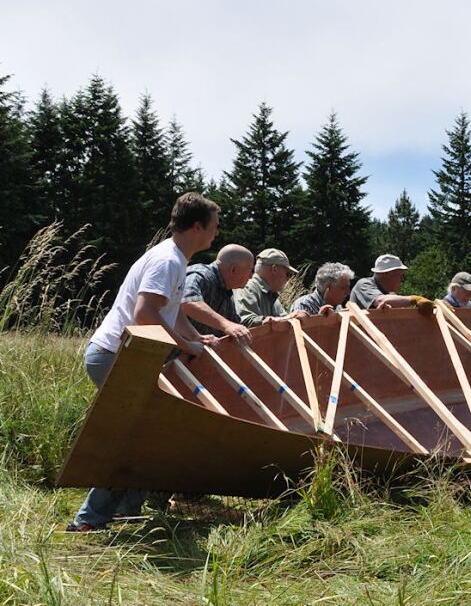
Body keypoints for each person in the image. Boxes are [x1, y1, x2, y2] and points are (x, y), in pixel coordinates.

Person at [67, 192, 221, 532]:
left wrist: (196, 339)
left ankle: (124, 507)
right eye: (213, 227)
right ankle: (90, 519)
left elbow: (171, 311)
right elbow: (144, 313)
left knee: (151, 432)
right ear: (197, 226)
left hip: (126, 355)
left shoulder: (176, 259)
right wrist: (184, 345)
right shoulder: (168, 260)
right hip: (114, 355)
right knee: (136, 437)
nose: (215, 234)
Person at [181, 244, 253, 341]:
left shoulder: (226, 291)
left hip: (192, 353)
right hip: (169, 354)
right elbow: (187, 302)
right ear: (233, 269)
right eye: (249, 271)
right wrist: (226, 325)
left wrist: (264, 322)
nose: (251, 277)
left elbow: (235, 326)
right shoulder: (200, 275)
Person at [235, 248, 303, 327]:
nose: (288, 279)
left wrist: (295, 317)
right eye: (288, 274)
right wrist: (269, 320)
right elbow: (245, 320)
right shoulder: (248, 288)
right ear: (274, 269)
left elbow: (282, 318)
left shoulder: (271, 293)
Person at [349, 254, 434, 313]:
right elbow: (380, 300)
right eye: (400, 275)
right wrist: (415, 299)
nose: (402, 279)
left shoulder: (390, 293)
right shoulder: (364, 285)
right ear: (388, 274)